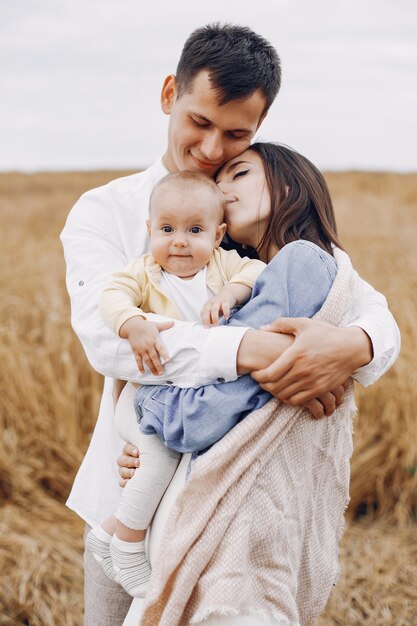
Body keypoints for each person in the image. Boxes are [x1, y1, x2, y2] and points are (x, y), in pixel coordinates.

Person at [60, 23, 400, 626]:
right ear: (170, 93)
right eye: (200, 121)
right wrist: (267, 352)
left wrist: (350, 347)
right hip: (126, 497)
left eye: (237, 134)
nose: (215, 149)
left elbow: (366, 306)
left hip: (233, 520)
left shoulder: (241, 222)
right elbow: (111, 340)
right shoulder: (104, 211)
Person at [86, 170, 266, 597]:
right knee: (161, 454)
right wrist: (133, 323)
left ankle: (106, 533)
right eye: (167, 229)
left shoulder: (221, 266)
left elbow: (256, 271)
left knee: (174, 466)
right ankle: (128, 542)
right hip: (143, 397)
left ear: (219, 234)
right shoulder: (145, 272)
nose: (180, 241)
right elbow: (111, 296)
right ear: (150, 231)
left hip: (183, 399)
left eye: (195, 230)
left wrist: (231, 295)